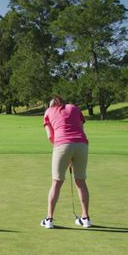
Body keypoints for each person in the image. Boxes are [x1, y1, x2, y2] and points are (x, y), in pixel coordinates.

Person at [41, 95, 91, 229]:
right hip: (82, 145)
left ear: (51, 105)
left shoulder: (49, 112)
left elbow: (50, 136)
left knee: (56, 182)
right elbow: (81, 129)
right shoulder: (74, 108)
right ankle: (85, 218)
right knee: (81, 181)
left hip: (62, 145)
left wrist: (64, 153)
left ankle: (49, 219)